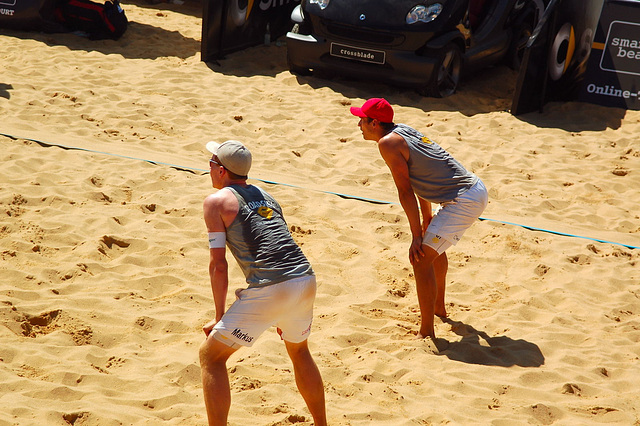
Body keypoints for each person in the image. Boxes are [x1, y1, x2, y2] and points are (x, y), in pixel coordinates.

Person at [199, 140, 327, 426]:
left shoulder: (216, 202)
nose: (207, 168)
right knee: (299, 350)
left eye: (210, 163)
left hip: (273, 286)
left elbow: (218, 265)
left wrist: (220, 317)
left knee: (211, 356)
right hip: (305, 278)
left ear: (221, 171)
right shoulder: (267, 195)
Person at [350, 98, 488, 343]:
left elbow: (405, 191)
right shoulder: (401, 131)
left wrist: (415, 236)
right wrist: (426, 219)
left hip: (463, 199)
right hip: (472, 189)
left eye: (362, 119)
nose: (358, 124)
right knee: (432, 249)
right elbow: (417, 181)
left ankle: (426, 331)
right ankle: (438, 309)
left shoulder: (387, 143)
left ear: (374, 122)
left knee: (420, 258)